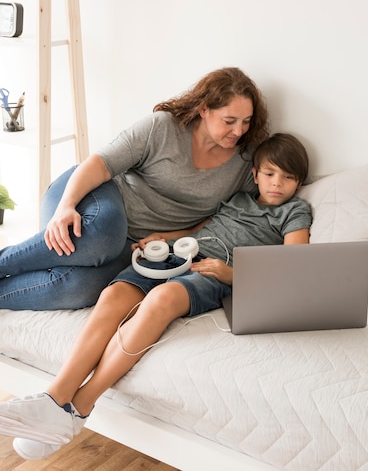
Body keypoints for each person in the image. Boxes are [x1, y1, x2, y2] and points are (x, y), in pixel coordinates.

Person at [0, 132, 312, 460]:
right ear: (255, 174)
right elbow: (202, 228)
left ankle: (79, 407)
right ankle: (54, 400)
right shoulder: (239, 199)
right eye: (269, 174)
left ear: (299, 183)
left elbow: (288, 272)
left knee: (159, 302)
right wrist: (162, 238)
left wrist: (229, 274)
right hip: (176, 254)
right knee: (113, 296)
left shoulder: (293, 212)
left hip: (213, 272)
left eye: (288, 177)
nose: (277, 183)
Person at [0, 67, 269, 310]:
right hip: (91, 197)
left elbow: (248, 209)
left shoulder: (245, 162)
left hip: (134, 244)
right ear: (204, 109)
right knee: (105, 234)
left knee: (80, 289)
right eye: (229, 120)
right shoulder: (163, 128)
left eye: (246, 121)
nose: (239, 130)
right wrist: (65, 207)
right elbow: (100, 164)